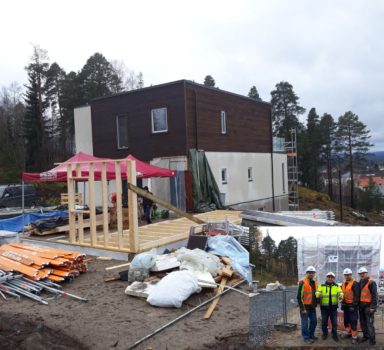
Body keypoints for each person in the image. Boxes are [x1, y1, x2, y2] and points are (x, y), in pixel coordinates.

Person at [316, 272, 342, 342]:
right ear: (326, 277)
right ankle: (325, 334)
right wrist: (319, 294)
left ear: (333, 278)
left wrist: (340, 296)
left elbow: (341, 292)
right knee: (324, 322)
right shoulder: (322, 286)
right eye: (328, 277)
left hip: (333, 308)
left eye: (332, 277)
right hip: (324, 308)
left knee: (334, 323)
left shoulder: (337, 286)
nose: (330, 278)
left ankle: (334, 334)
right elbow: (317, 292)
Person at [297, 265, 318, 344]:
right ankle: (306, 337)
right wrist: (303, 309)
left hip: (312, 307)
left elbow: (316, 294)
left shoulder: (315, 282)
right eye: (309, 272)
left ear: (314, 273)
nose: (311, 274)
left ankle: (311, 335)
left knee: (314, 322)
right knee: (305, 324)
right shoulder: (302, 282)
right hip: (305, 308)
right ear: (306, 273)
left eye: (312, 273)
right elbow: (299, 297)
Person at [358, 267, 377, 345]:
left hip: (368, 307)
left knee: (369, 324)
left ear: (367, 273)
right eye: (360, 274)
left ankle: (372, 341)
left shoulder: (371, 282)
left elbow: (374, 295)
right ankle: (365, 336)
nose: (362, 275)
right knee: (363, 323)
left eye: (363, 273)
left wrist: (373, 307)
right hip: (361, 306)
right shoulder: (360, 282)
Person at [341, 268, 360, 345]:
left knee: (353, 321)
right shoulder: (343, 283)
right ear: (344, 275)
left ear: (351, 275)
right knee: (346, 321)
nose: (347, 276)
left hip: (352, 306)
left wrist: (354, 305)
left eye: (348, 275)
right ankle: (348, 333)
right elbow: (343, 294)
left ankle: (354, 337)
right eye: (345, 275)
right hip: (345, 306)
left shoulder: (355, 283)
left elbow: (357, 296)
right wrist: (342, 302)